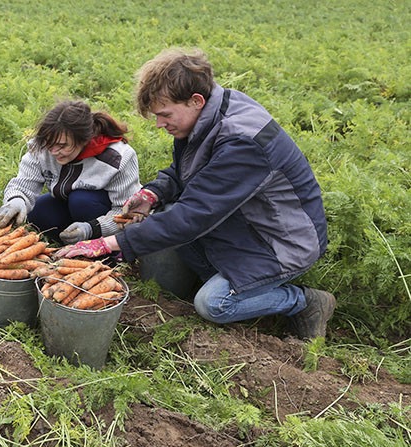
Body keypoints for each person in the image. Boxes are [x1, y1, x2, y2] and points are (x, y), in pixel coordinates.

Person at [56, 48, 336, 339]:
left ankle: (303, 302)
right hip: (242, 223)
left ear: (196, 100)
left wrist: (109, 243)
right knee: (164, 215)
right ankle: (231, 280)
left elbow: (194, 214)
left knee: (213, 303)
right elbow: (184, 172)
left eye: (164, 115)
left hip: (281, 242)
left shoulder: (242, 142)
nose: (159, 124)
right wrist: (152, 194)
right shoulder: (206, 116)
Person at [0, 100, 141, 245]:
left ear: (84, 140)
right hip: (69, 206)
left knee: (80, 200)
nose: (54, 152)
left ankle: (105, 247)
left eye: (62, 146)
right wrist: (16, 200)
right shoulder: (43, 146)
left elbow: (127, 212)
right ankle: (70, 243)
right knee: (38, 210)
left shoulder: (117, 157)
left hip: (100, 213)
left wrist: (92, 228)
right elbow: (24, 184)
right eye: (50, 144)